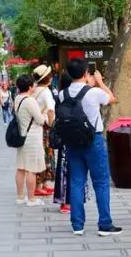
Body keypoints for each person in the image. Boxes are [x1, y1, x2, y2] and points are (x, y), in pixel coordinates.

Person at [60, 57, 122, 237]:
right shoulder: (93, 92)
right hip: (93, 140)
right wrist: (100, 82)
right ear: (86, 73)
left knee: (76, 182)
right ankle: (105, 223)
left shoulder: (62, 94)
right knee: (101, 182)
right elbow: (112, 99)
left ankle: (77, 225)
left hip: (72, 141)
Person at [13, 74, 47, 206]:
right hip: (32, 138)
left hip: (22, 136)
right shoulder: (30, 100)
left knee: (21, 167)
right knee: (32, 169)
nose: (35, 86)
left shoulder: (17, 98)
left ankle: (20, 197)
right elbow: (40, 120)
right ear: (29, 86)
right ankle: (31, 199)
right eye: (33, 84)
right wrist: (44, 114)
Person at [52, 71, 74, 214]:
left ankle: (63, 201)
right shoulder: (73, 95)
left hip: (64, 137)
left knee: (63, 168)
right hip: (74, 137)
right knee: (72, 170)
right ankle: (68, 202)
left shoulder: (60, 95)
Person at [33, 65, 57, 196]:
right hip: (46, 127)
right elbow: (51, 110)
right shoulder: (46, 92)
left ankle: (43, 184)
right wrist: (52, 124)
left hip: (36, 126)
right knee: (47, 155)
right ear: (47, 78)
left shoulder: (34, 90)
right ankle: (40, 185)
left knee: (41, 154)